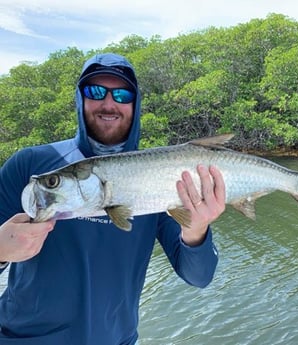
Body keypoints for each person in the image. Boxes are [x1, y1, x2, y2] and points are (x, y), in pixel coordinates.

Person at [0, 53, 225, 344]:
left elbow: (200, 277)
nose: (109, 103)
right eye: (95, 91)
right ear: (80, 99)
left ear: (135, 103)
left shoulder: (161, 174)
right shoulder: (30, 164)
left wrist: (196, 230)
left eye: (121, 94)